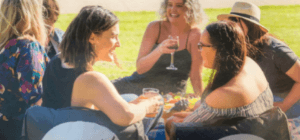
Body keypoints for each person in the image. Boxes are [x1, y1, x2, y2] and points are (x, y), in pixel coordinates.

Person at [42, 6, 163, 129]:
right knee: (157, 103)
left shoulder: (57, 61)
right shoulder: (91, 79)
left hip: (57, 132)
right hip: (82, 134)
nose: (119, 43)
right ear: (92, 38)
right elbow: (127, 116)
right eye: (113, 36)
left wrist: (134, 104)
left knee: (131, 99)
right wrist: (147, 105)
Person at [165, 21, 274, 137]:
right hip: (254, 131)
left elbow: (183, 128)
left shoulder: (225, 92)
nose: (198, 50)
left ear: (220, 49)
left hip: (237, 135)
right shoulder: (250, 64)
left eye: (201, 46)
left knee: (171, 121)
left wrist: (173, 119)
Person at [218, 1, 300, 118]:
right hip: (263, 100)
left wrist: (284, 105)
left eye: (236, 21)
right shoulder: (237, 47)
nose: (231, 26)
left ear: (251, 26)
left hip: (289, 102)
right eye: (230, 21)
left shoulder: (274, 49)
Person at [112, 0, 208, 96]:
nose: (172, 10)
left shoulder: (195, 35)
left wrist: (201, 102)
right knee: (101, 90)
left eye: (179, 6)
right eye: (169, 5)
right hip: (135, 86)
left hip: (169, 95)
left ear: (190, 10)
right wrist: (159, 50)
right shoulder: (155, 27)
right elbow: (140, 68)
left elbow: (195, 75)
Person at [0, 0, 49, 139]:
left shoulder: (5, 46)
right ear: (33, 14)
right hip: (18, 130)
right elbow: (36, 99)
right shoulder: (28, 47)